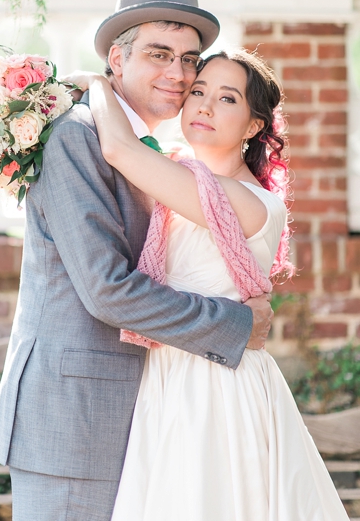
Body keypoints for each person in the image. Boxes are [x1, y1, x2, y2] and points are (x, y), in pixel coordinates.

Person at [0, 0, 274, 521]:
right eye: (159, 54)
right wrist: (235, 324)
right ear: (116, 58)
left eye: (190, 60)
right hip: (75, 418)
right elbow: (107, 290)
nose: (180, 74)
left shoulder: (157, 155)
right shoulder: (76, 136)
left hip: (152, 414)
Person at [68, 50, 347, 519]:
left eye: (226, 98)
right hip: (168, 375)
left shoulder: (250, 201)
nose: (204, 106)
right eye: (198, 92)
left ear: (255, 125)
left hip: (216, 385)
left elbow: (118, 148)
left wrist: (100, 84)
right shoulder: (177, 176)